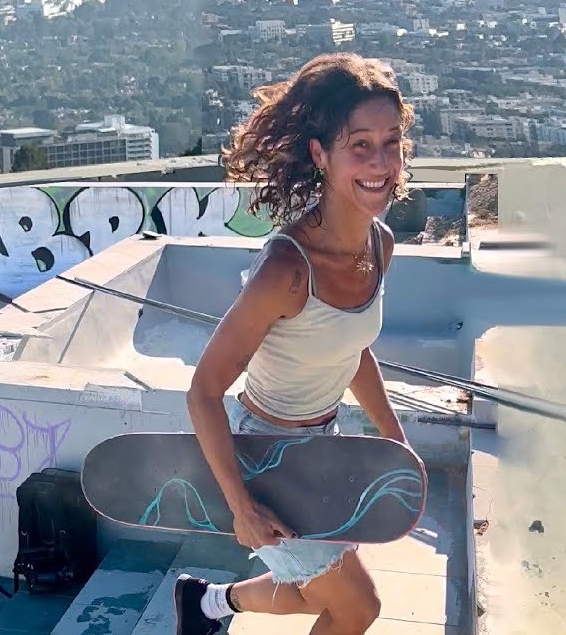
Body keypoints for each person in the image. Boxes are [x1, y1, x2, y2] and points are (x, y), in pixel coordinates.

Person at [175, 53, 415, 635]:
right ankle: (207, 604)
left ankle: (206, 604)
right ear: (320, 155)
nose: (380, 161)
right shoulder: (286, 268)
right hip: (267, 454)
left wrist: (394, 440)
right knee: (358, 607)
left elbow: (350, 348)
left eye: (392, 141)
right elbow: (203, 391)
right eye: (360, 144)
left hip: (323, 445)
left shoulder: (379, 246)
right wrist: (241, 505)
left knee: (315, 593)